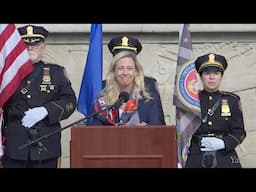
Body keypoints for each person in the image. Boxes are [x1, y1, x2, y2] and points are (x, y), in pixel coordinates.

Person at [1, 24, 77, 168]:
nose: (30, 48)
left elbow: (70, 102)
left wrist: (46, 110)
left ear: (43, 46)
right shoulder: (8, 75)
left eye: (35, 44)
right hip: (14, 147)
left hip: (46, 145)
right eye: (25, 44)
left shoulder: (56, 73)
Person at [185, 53, 246, 168]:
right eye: (207, 73)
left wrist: (224, 143)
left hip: (224, 157)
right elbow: (182, 131)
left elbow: (240, 132)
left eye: (216, 73)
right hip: (196, 157)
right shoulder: (191, 100)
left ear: (221, 76)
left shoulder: (232, 100)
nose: (212, 77)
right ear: (201, 76)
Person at [88, 35, 165, 126]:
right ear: (114, 71)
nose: (125, 73)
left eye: (129, 68)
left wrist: (145, 129)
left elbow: (158, 130)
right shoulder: (102, 97)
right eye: (120, 68)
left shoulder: (149, 98)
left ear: (136, 71)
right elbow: (94, 130)